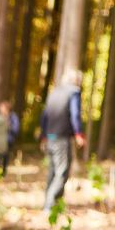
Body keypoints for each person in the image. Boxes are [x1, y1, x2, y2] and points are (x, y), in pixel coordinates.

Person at [40, 69, 86, 214]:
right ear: (76, 81)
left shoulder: (54, 93)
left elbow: (44, 116)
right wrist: (78, 133)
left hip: (51, 137)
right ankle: (51, 206)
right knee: (62, 172)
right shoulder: (73, 93)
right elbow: (75, 114)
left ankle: (49, 204)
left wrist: (43, 135)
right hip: (62, 138)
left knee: (52, 171)